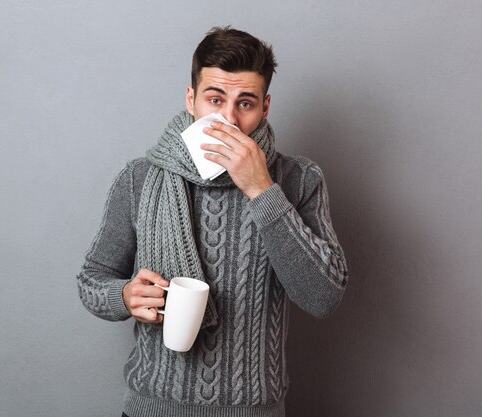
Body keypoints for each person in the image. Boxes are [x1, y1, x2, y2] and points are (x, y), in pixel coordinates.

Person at [77, 26, 348, 417]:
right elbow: (92, 279)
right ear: (191, 99)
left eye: (246, 103)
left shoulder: (299, 180)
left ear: (265, 108)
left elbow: (323, 297)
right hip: (153, 407)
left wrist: (262, 189)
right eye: (215, 99)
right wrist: (123, 296)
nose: (229, 119)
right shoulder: (139, 178)